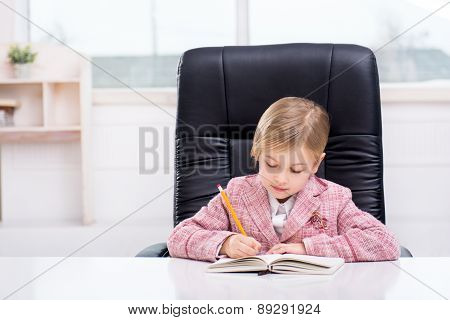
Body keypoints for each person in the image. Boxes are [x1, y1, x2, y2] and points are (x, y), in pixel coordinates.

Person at [167, 97, 400, 263]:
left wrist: (307, 249)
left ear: (315, 164)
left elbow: (384, 243)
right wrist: (225, 243)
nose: (281, 178)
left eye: (296, 169)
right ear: (257, 153)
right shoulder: (236, 193)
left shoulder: (334, 198)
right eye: (271, 165)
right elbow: (179, 237)